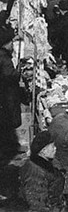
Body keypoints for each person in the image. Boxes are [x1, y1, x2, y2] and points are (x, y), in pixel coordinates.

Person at [18, 131, 65, 212]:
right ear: (43, 150)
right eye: (53, 146)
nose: (55, 148)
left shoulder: (46, 163)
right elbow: (36, 203)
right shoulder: (35, 173)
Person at [0, 27, 20, 172]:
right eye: (11, 42)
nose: (12, 44)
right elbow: (10, 76)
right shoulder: (4, 58)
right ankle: (8, 151)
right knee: (8, 122)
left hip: (5, 95)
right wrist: (18, 71)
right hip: (7, 95)